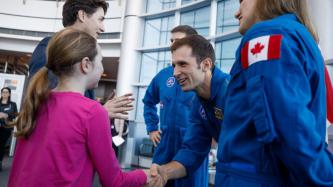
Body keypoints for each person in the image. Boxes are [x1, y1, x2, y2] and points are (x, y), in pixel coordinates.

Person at [8, 29, 160, 187]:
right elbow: (114, 181)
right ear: (86, 65)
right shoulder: (93, 112)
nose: (102, 68)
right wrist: (145, 175)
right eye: (101, 61)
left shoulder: (36, 101)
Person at [214, 0, 333, 186]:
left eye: (242, 1)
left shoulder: (268, 35)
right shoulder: (296, 36)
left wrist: (327, 177)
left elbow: (287, 125)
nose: (236, 13)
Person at [29, 0, 133, 119]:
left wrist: (98, 107)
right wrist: (100, 112)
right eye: (100, 19)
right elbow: (51, 110)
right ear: (82, 15)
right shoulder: (49, 48)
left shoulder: (82, 53)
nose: (103, 28)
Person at [150, 34, 230, 186]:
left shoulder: (232, 92)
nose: (175, 73)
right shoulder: (197, 103)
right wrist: (164, 172)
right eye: (174, 65)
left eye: (183, 64)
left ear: (206, 64)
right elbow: (193, 150)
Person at [142, 25, 208, 187]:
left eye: (177, 41)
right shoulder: (163, 76)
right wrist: (151, 128)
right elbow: (148, 101)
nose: (172, 44)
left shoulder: (202, 76)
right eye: (171, 40)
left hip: (192, 146)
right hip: (164, 146)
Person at [0, 87, 17, 172]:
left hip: (6, 128)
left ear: (9, 94)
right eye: (3, 92)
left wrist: (6, 115)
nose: (4, 93)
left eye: (6, 92)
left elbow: (14, 115)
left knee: (1, 145)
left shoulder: (13, 104)